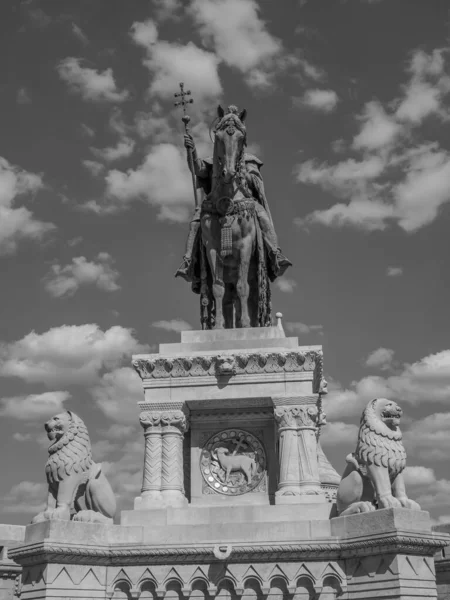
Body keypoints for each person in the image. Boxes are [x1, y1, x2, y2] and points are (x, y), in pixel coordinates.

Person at [175, 107, 291, 283]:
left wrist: (248, 179)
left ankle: (275, 253)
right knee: (196, 222)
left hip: (244, 201)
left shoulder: (250, 160)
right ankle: (189, 262)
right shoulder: (212, 160)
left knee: (262, 216)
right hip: (215, 203)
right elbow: (198, 170)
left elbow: (256, 183)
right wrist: (191, 151)